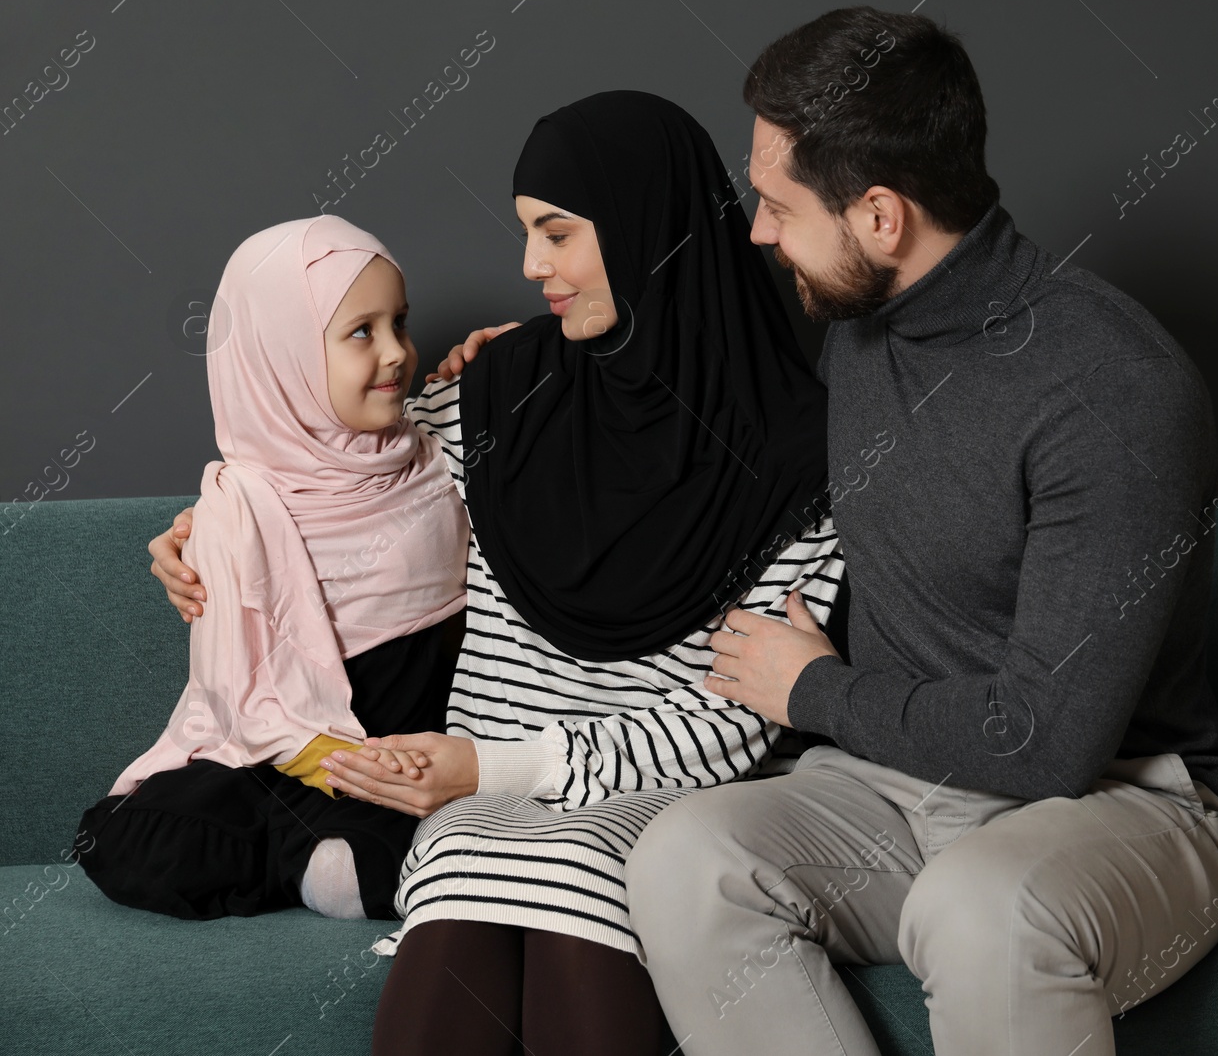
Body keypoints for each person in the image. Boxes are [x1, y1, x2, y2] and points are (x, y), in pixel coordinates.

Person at [146, 90, 847, 1056]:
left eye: (556, 233)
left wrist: (498, 766)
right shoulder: (498, 403)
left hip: (660, 798)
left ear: (655, 230)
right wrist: (204, 528)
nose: (529, 268)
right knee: (468, 857)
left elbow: (735, 725)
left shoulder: (808, 462)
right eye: (525, 234)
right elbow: (321, 477)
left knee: (574, 869)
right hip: (477, 798)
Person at [617, 7, 1218, 1056]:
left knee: (979, 905)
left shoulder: (1112, 388)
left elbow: (1048, 740)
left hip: (1122, 800)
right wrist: (521, 370)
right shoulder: (862, 330)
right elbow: (716, 393)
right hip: (895, 788)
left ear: (879, 216)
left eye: (776, 204)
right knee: (682, 853)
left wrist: (815, 688)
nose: (758, 231)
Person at [80, 216, 471, 923]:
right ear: (280, 354)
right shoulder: (239, 505)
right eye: (362, 331)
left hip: (424, 735)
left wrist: (501, 352)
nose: (396, 352)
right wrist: (341, 764)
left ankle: (343, 853)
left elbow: (539, 386)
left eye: (401, 323)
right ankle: (306, 857)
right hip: (295, 747)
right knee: (137, 828)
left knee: (430, 824)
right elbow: (242, 697)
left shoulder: (438, 449)